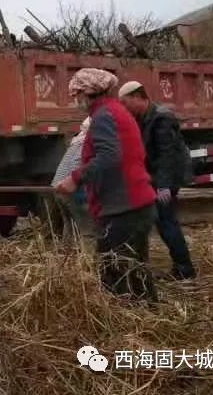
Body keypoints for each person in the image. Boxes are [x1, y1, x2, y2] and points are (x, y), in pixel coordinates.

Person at [54, 68, 158, 302]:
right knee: (135, 269)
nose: (76, 101)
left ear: (87, 94)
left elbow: (109, 155)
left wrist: (74, 179)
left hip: (124, 207)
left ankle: (129, 323)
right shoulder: (114, 111)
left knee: (115, 271)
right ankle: (147, 315)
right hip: (134, 203)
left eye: (77, 95)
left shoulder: (103, 116)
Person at [119, 81, 197, 280]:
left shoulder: (162, 117)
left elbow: (167, 154)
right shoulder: (142, 117)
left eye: (126, 103)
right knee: (163, 222)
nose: (125, 108)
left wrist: (164, 186)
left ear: (138, 97)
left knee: (166, 221)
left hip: (167, 177)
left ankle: (185, 269)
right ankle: (182, 267)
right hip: (157, 176)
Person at [51, 117, 94, 239]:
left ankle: (66, 255)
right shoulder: (88, 142)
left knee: (69, 226)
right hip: (72, 189)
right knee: (87, 229)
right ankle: (88, 257)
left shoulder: (77, 141)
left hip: (57, 187)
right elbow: (82, 166)